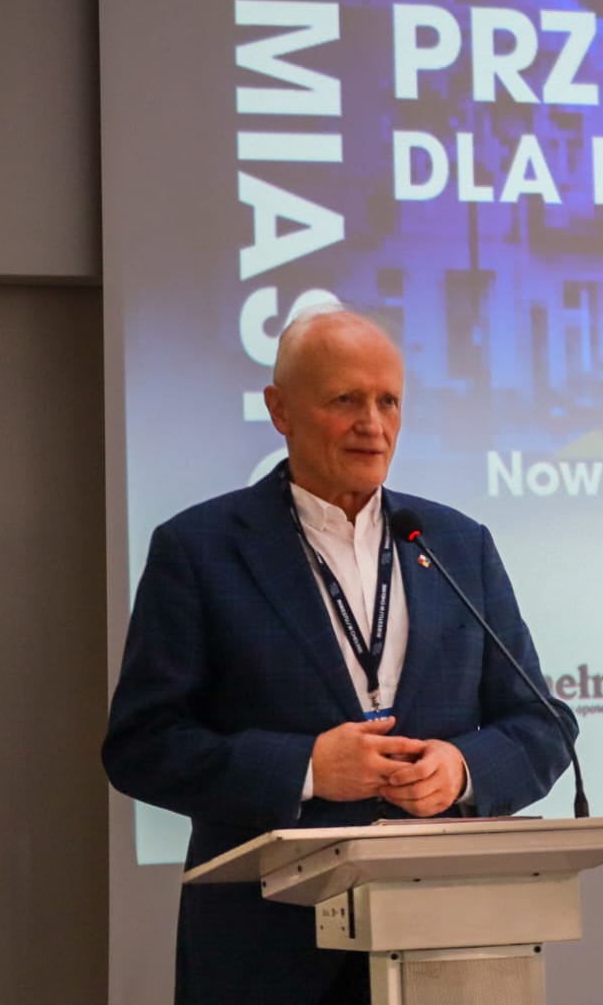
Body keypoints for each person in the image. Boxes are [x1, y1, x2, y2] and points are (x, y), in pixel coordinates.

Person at [103, 307, 576, 1005]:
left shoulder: (454, 542)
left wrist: (462, 769)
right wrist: (306, 768)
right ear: (280, 411)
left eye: (388, 401)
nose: (372, 424)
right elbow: (142, 746)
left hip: (443, 942)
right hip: (263, 952)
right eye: (345, 400)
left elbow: (542, 724)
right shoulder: (199, 549)